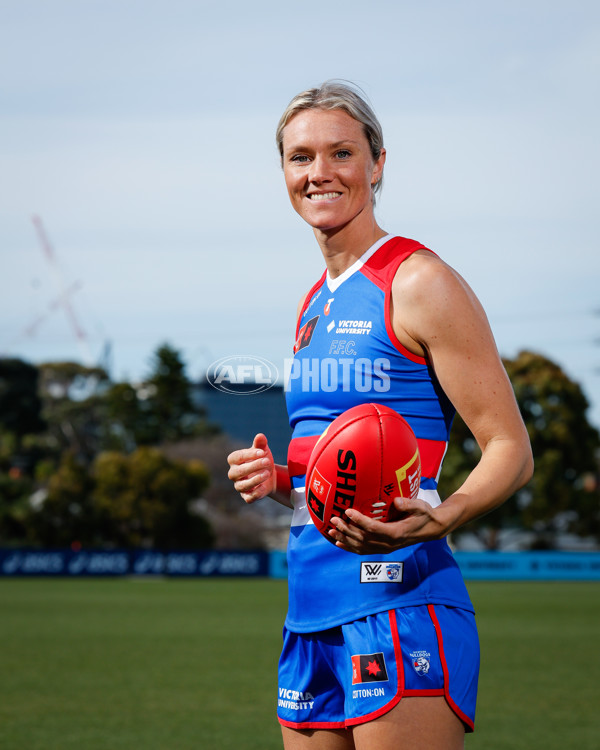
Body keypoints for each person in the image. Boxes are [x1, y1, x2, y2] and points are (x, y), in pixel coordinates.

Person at [227, 80, 533, 750]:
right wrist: (278, 477)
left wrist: (445, 514)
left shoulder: (419, 281)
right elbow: (340, 476)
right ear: (282, 172)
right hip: (309, 609)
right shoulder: (313, 303)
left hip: (401, 603)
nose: (319, 173)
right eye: (300, 157)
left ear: (378, 164)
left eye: (341, 152)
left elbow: (510, 444)